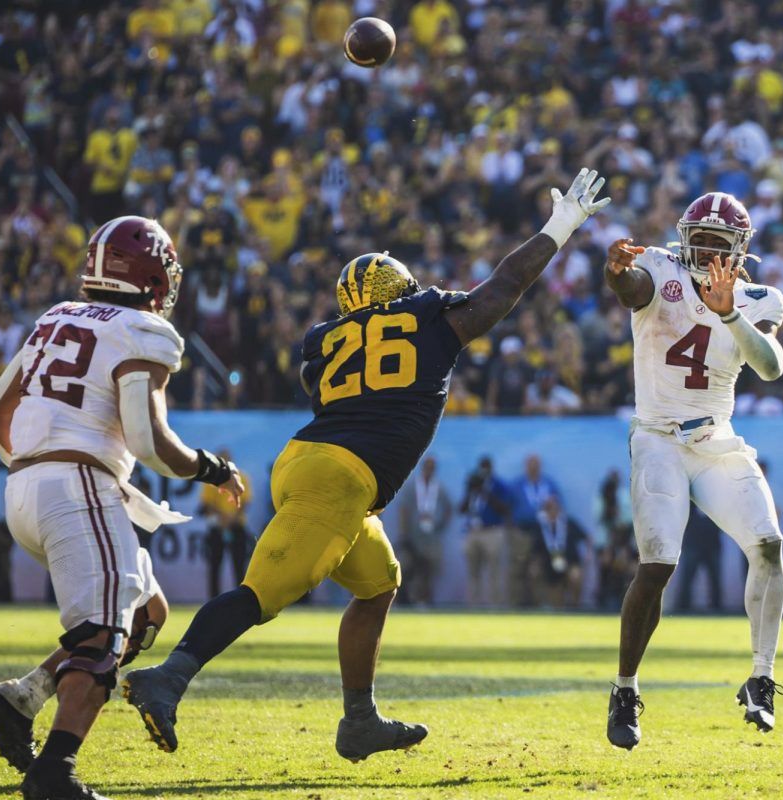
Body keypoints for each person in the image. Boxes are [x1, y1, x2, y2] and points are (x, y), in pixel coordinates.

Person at [121, 168, 609, 761]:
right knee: (260, 595)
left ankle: (359, 720)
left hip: (321, 465)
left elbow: (321, 381)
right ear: (403, 290)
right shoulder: (427, 318)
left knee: (378, 582)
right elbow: (504, 286)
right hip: (338, 477)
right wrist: (560, 227)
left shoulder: (323, 339)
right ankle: (168, 677)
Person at [0, 215, 244, 800]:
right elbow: (148, 443)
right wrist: (211, 467)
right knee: (101, 637)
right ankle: (54, 772)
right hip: (78, 490)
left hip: (27, 486)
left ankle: (23, 697)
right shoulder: (145, 329)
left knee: (147, 611)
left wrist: (36, 465)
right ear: (151, 274)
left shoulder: (56, 315)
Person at [603, 191, 783, 749]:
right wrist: (617, 271)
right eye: (699, 238)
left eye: (717, 241)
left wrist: (729, 310)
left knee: (769, 544)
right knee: (658, 563)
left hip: (714, 440)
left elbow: (772, 367)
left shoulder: (760, 298)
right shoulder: (660, 268)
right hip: (658, 437)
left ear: (739, 248)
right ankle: (625, 688)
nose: (705, 249)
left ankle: (761, 677)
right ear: (685, 236)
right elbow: (633, 289)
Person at [396, 456, 451, 606]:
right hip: (413, 536)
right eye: (427, 467)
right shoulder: (412, 486)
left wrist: (440, 525)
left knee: (430, 569)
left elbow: (449, 508)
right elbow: (403, 510)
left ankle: (426, 600)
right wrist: (404, 532)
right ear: (422, 468)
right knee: (407, 568)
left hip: (431, 538)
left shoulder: (439, 487)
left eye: (432, 467)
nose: (429, 470)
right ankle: (405, 600)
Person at [508, 454, 562, 606]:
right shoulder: (517, 485)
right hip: (523, 532)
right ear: (525, 466)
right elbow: (508, 508)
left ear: (540, 466)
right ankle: (516, 605)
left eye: (536, 464)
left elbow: (559, 505)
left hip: (545, 534)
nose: (533, 467)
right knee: (518, 569)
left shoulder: (549, 484)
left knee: (540, 568)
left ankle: (539, 605)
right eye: (530, 464)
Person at [459, 456, 512, 606]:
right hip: (473, 531)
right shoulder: (473, 485)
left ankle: (496, 605)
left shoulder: (499, 485)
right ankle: (473, 605)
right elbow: (462, 509)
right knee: (473, 571)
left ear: (491, 469)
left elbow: (505, 509)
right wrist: (471, 490)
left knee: (494, 570)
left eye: (486, 467)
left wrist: (484, 492)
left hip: (492, 531)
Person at [200, 449, 252, 599]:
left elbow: (246, 500)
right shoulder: (209, 481)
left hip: (237, 525)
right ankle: (213, 600)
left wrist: (232, 518)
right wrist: (223, 517)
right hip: (217, 526)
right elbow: (207, 503)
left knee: (239, 565)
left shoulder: (242, 476)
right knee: (215, 566)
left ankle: (241, 599)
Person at [527, 496, 587, 608]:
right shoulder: (540, 527)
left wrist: (588, 555)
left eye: (554, 508)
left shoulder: (568, 523)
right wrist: (534, 565)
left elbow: (586, 537)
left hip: (569, 564)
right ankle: (537, 606)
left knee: (576, 575)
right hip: (549, 566)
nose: (552, 511)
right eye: (548, 508)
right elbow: (535, 550)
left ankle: (576, 606)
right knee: (556, 602)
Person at [594, 470, 636, 611]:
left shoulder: (624, 497)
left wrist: (623, 548)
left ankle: (623, 599)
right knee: (606, 565)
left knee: (625, 567)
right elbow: (600, 520)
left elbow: (627, 523)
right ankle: (604, 600)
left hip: (624, 542)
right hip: (607, 544)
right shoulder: (600, 498)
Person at [675, 502, 723, 612]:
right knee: (687, 577)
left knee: (715, 579)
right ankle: (682, 609)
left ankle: (717, 609)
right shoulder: (689, 498)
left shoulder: (716, 499)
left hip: (712, 544)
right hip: (693, 543)